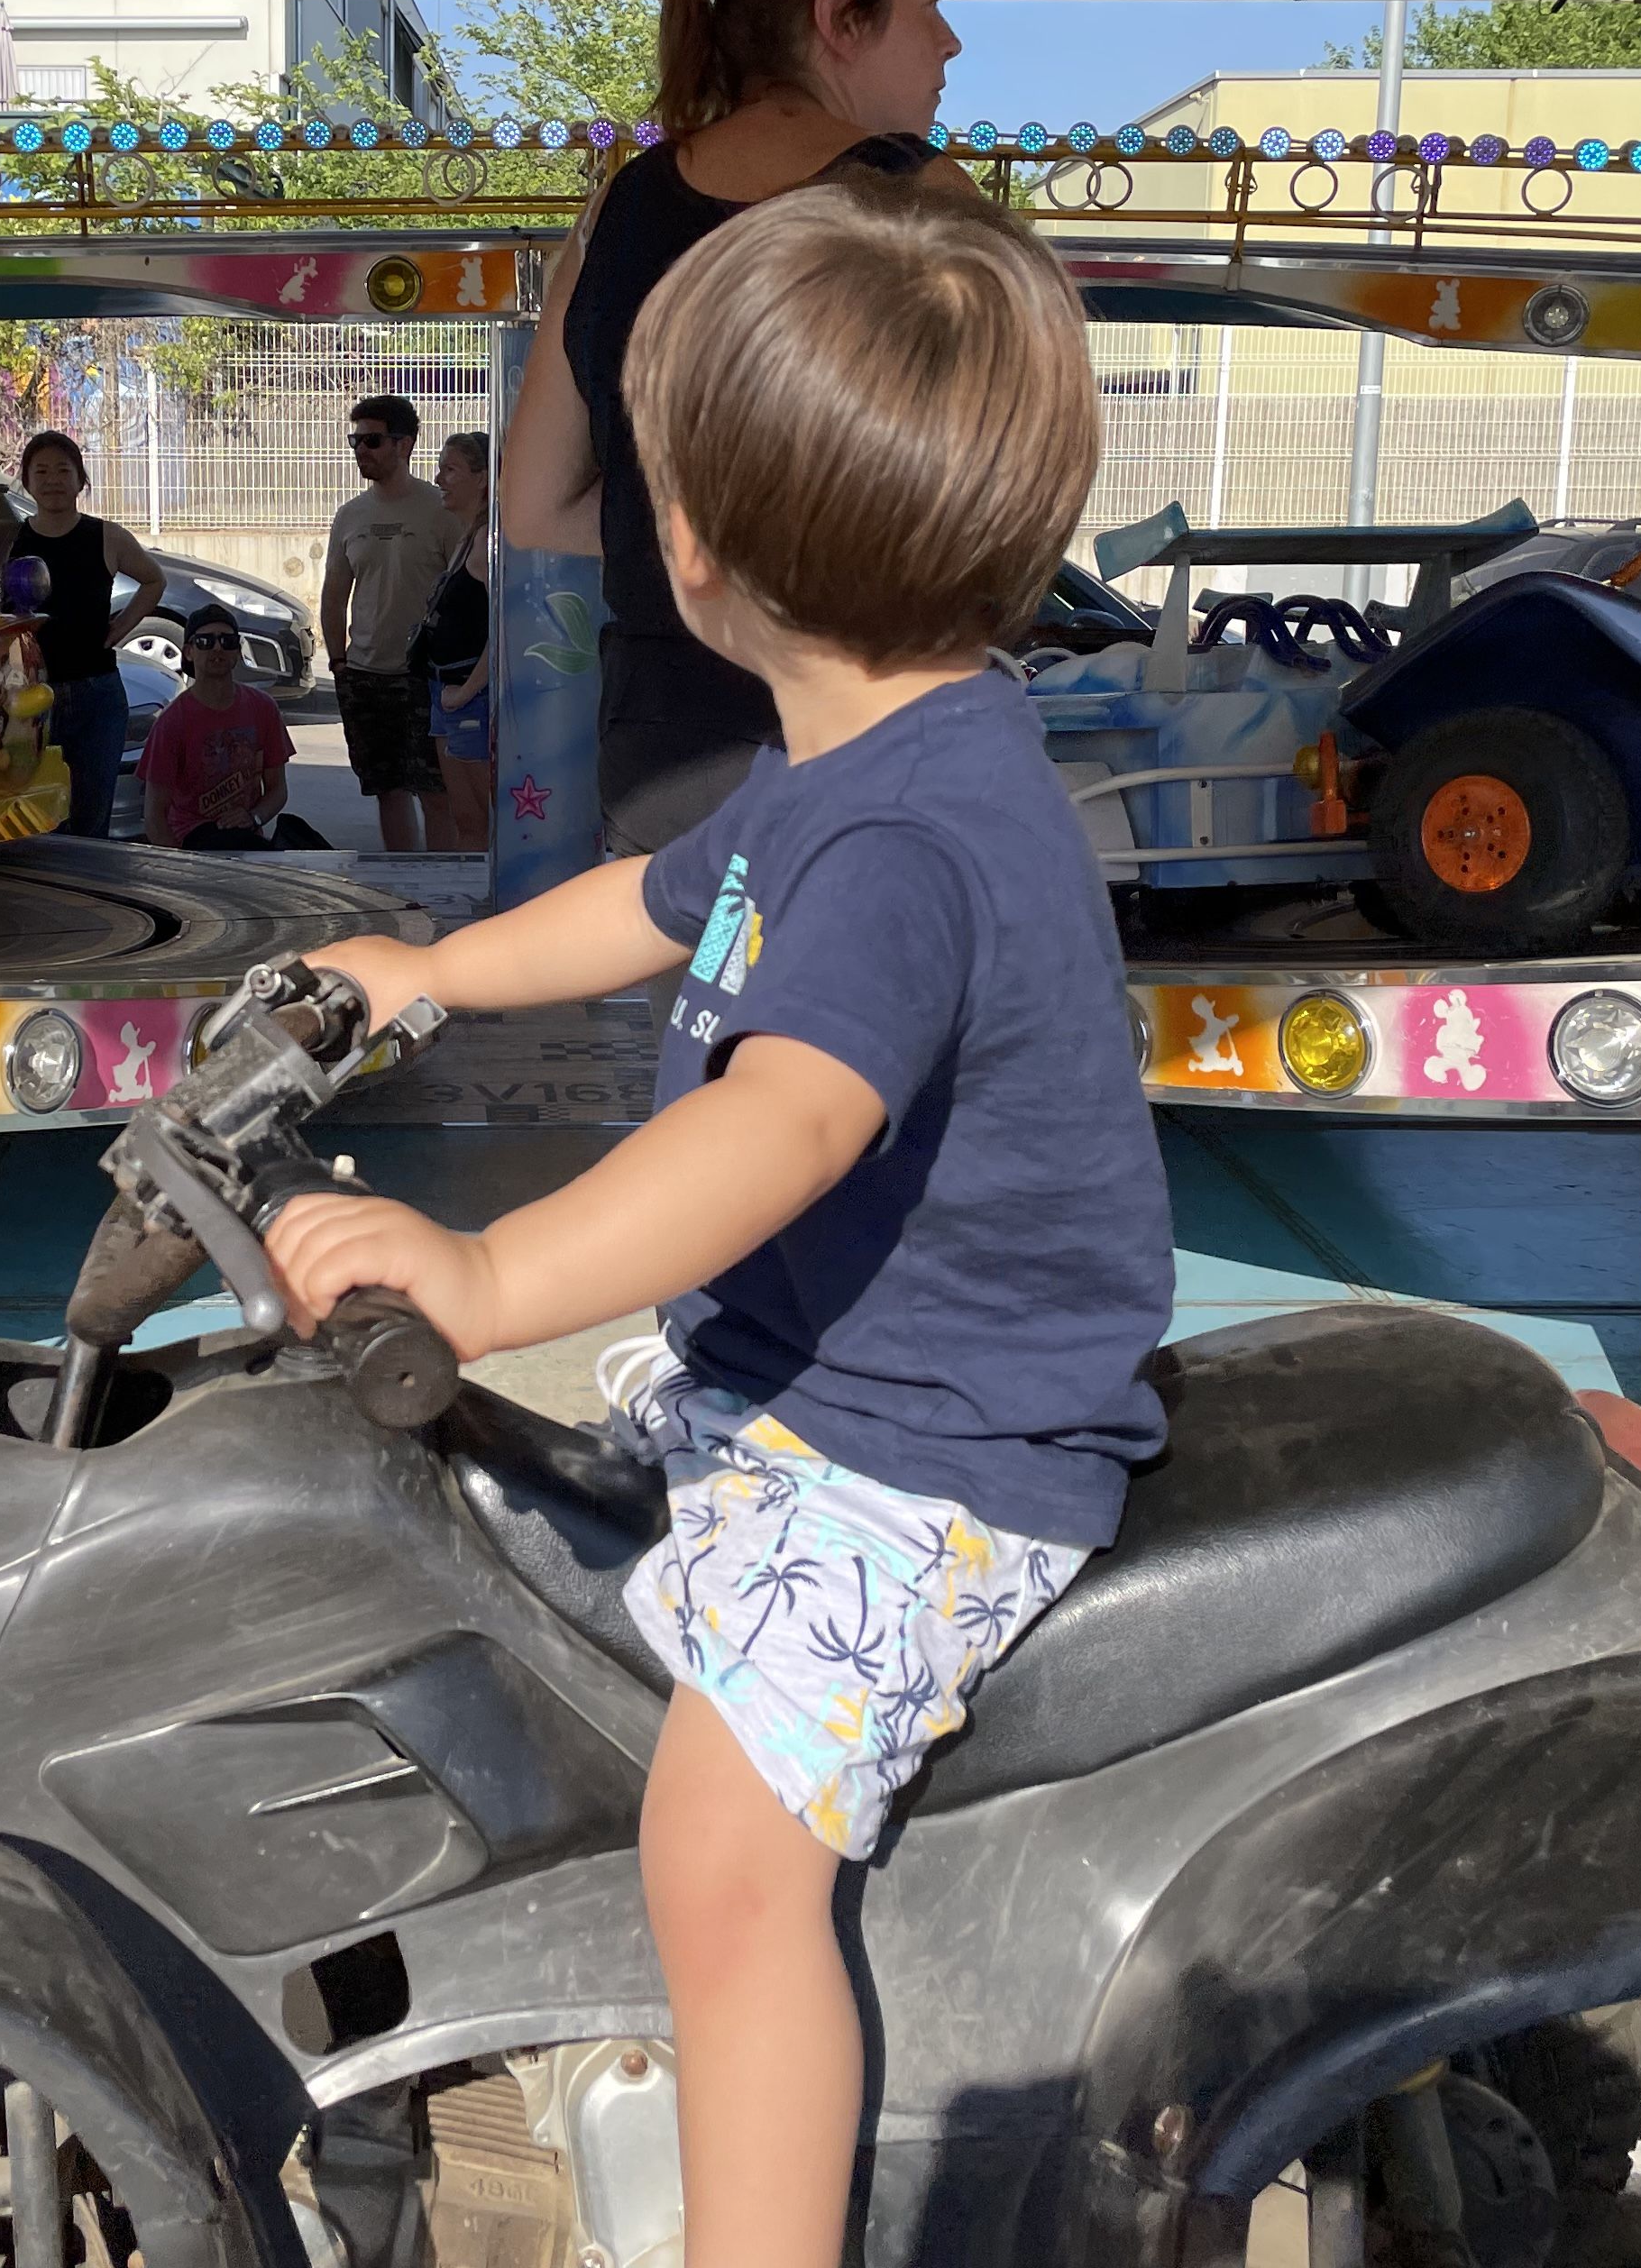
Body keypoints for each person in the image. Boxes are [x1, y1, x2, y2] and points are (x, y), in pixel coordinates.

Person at [269, 178, 1168, 2268]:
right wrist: (428, 974)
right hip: (801, 1376)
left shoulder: (914, 839)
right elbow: (655, 901)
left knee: (725, 1859)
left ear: (702, 545)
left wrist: (484, 1274)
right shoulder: (849, 752)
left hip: (923, 1451)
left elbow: (778, 1129)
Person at [502, 0, 972, 851]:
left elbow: (534, 505)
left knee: (710, 1009)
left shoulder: (618, 209)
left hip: (664, 759)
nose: (949, 42)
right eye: (928, 4)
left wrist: (691, 536)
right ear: (841, 17)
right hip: (865, 750)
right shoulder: (926, 203)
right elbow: (992, 485)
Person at [5, 429, 162, 841]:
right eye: (41, 471)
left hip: (98, 696)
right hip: (28, 695)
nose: (53, 479)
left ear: (81, 479)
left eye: (63, 469)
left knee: (91, 820)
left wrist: (121, 628)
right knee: (34, 818)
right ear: (26, 481)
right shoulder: (8, 539)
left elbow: (153, 581)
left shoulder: (106, 536)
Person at [319, 390, 451, 852]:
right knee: (388, 790)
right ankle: (407, 891)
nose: (361, 451)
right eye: (355, 441)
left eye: (372, 441)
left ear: (404, 444)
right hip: (365, 675)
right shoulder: (350, 515)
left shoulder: (442, 510)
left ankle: (446, 898)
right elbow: (334, 596)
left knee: (437, 792)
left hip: (426, 676)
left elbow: (468, 594)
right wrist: (339, 666)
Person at [136, 602, 321, 850]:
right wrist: (180, 868)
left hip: (246, 839)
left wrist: (254, 817)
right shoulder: (172, 722)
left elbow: (277, 790)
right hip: (193, 842)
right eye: (205, 641)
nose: (217, 648)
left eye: (228, 641)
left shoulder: (263, 707)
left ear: (237, 651)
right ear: (189, 652)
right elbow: (155, 818)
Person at [410, 428, 495, 851]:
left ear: (482, 478)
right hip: (443, 689)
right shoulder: (465, 537)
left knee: (487, 818)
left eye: (451, 470)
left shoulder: (489, 542)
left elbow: (506, 631)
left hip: (468, 696)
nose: (439, 479)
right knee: (465, 820)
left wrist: (467, 692)